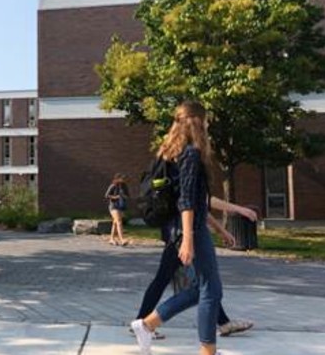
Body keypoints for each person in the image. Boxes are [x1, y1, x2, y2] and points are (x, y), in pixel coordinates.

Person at [130, 101, 259, 355]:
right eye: (206, 120)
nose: (208, 124)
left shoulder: (172, 153)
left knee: (202, 289)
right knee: (210, 290)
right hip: (189, 229)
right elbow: (187, 201)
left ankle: (147, 324)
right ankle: (206, 350)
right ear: (197, 122)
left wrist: (220, 230)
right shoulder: (189, 154)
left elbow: (197, 201)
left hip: (186, 227)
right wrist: (188, 239)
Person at [132, 212, 256, 340]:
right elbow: (193, 206)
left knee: (200, 285)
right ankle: (144, 324)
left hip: (180, 235)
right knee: (202, 287)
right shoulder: (188, 195)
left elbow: (201, 204)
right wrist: (189, 239)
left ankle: (142, 323)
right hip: (184, 238)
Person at [104, 173, 130, 246]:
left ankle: (111, 239)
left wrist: (124, 196)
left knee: (115, 223)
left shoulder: (124, 186)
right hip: (113, 206)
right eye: (122, 178)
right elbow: (106, 195)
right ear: (117, 178)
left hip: (121, 206)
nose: (124, 180)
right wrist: (116, 197)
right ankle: (122, 239)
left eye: (124, 179)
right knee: (119, 222)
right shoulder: (113, 186)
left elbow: (128, 196)